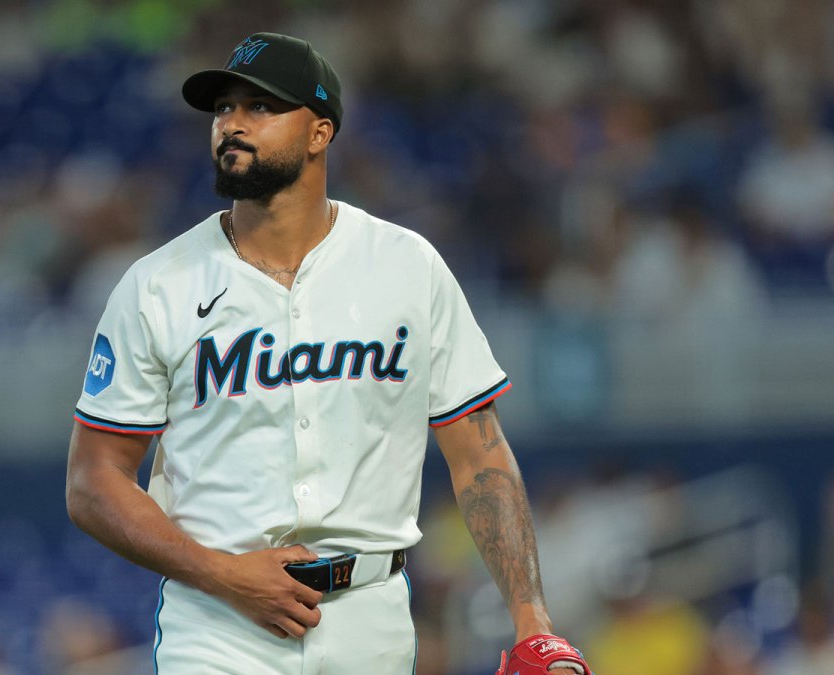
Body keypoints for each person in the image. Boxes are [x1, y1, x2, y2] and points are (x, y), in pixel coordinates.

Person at [65, 32, 589, 675]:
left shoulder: (406, 266)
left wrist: (533, 626)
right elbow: (93, 479)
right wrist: (222, 574)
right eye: (224, 108)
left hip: (372, 617)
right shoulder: (157, 284)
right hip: (219, 625)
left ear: (319, 133)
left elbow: (479, 456)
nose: (231, 123)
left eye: (260, 107)